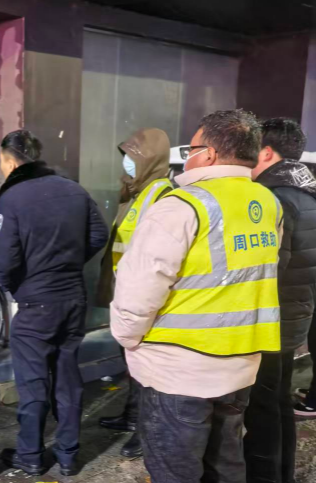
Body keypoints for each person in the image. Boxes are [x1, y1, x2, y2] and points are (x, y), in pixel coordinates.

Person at [111, 109, 283, 483]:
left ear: (209, 154)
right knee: (226, 465)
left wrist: (127, 338)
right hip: (240, 365)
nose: (188, 156)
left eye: (191, 148)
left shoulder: (180, 206)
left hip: (179, 372)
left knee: (176, 471)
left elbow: (138, 289)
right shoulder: (267, 202)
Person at [0, 130, 109, 477]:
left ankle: (30, 454)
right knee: (68, 378)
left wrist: (16, 286)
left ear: (10, 162)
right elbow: (99, 234)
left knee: (33, 383)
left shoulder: (12, 198)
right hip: (72, 297)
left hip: (35, 302)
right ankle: (68, 454)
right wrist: (68, 263)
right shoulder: (73, 190)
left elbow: (4, 258)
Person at [246, 118, 316, 483]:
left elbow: (273, 267)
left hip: (273, 320)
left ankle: (265, 476)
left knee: (263, 409)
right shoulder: (306, 189)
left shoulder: (274, 198)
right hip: (297, 314)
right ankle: (283, 474)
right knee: (279, 403)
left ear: (266, 152)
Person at [97, 128, 173, 458]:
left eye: (133, 157)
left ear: (150, 160)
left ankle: (146, 431)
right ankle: (131, 416)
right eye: (126, 156)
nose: (127, 163)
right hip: (126, 293)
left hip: (144, 298)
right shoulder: (137, 192)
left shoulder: (162, 195)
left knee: (146, 370)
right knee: (130, 364)